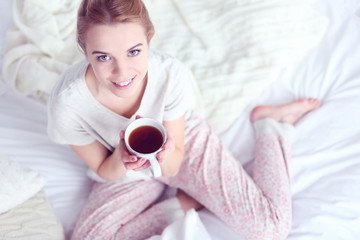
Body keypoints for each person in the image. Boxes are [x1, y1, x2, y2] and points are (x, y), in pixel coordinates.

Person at [47, 0, 322, 239]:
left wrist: (166, 155)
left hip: (180, 143)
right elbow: (105, 170)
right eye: (104, 57)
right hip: (120, 161)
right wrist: (122, 157)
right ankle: (182, 204)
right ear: (84, 50)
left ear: (149, 39)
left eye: (134, 51)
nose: (122, 72)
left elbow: (174, 163)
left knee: (270, 227)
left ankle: (270, 124)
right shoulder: (67, 104)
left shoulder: (169, 74)